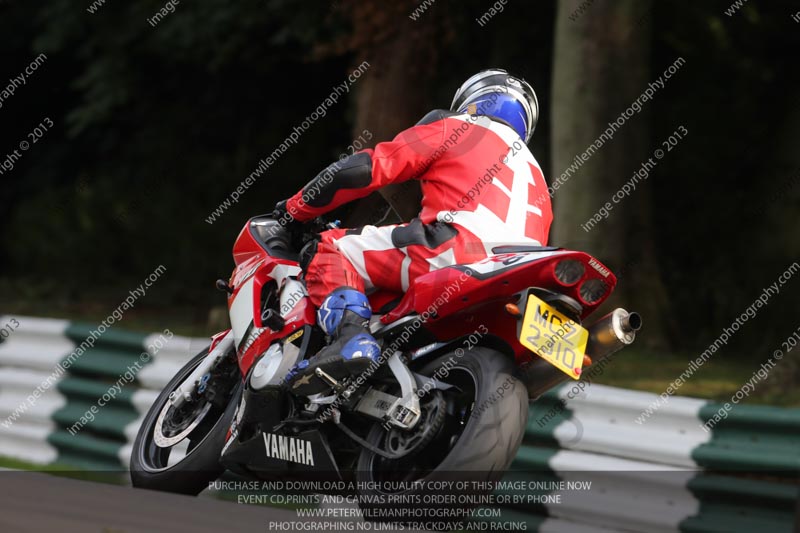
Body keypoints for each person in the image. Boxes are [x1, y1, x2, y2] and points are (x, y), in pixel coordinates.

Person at [274, 68, 553, 394]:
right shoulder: (538, 177)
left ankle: (350, 338)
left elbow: (365, 169)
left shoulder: (459, 127)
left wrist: (294, 209)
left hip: (454, 251)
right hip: (516, 275)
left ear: (472, 101)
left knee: (330, 247)